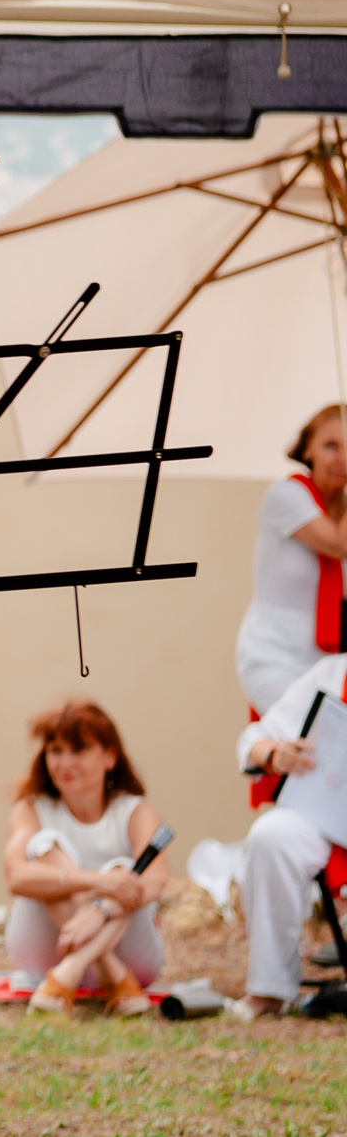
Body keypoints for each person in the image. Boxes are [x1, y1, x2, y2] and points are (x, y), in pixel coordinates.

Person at [0, 700, 165, 1015]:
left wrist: (101, 911)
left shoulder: (135, 811)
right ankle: (113, 976)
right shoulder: (31, 809)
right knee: (44, 846)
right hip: (47, 950)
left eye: (79, 751)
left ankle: (67, 976)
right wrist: (99, 883)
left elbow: (156, 878)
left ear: (110, 756)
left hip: (131, 954)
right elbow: (16, 877)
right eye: (56, 751)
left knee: (127, 869)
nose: (65, 763)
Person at [234, 647, 347, 1020]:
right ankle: (269, 989)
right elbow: (254, 739)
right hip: (328, 818)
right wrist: (274, 753)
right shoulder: (334, 672)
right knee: (272, 835)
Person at [235, 405, 347, 716]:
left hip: (330, 666)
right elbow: (337, 543)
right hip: (275, 657)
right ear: (308, 448)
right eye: (331, 446)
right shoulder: (286, 495)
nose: (342, 457)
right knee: (305, 740)